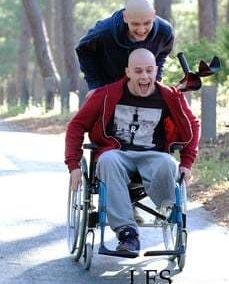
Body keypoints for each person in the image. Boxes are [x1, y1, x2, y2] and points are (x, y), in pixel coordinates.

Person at [65, 49, 200, 254]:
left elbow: (193, 125)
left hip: (153, 156)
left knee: (168, 163)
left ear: (156, 71)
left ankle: (166, 207)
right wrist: (74, 165)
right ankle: (127, 233)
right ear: (128, 72)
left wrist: (187, 163)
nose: (144, 76)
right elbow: (76, 126)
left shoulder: (170, 96)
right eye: (138, 71)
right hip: (118, 154)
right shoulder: (106, 95)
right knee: (107, 160)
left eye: (148, 71)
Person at [76, 0, 174, 92]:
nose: (141, 30)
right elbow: (83, 49)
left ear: (153, 15)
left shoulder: (165, 32)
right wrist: (95, 85)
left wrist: (155, 79)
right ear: (125, 18)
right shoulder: (105, 31)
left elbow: (163, 53)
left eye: (147, 23)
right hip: (109, 86)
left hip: (142, 88)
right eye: (135, 24)